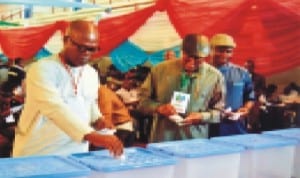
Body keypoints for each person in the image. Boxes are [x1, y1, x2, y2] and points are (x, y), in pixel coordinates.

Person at [12, 20, 123, 157]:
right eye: (81, 48)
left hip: (76, 151)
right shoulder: (42, 69)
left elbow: (89, 104)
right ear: (66, 40)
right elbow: (53, 108)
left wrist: (99, 120)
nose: (86, 53)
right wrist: (92, 135)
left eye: (92, 49)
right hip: (39, 151)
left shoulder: (91, 73)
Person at [138, 34, 225, 142]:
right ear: (182, 52)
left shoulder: (215, 77)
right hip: (163, 139)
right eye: (188, 57)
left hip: (194, 141)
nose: (191, 63)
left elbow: (220, 112)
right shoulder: (159, 71)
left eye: (198, 59)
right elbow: (142, 102)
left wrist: (203, 117)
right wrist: (159, 108)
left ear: (205, 57)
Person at [210, 33, 255, 136]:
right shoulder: (202, 72)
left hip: (235, 126)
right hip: (208, 126)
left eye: (228, 51)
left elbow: (250, 97)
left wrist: (246, 109)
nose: (224, 54)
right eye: (220, 50)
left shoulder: (242, 73)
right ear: (210, 50)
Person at [244, 58, 266, 132]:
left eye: (248, 67)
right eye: (245, 67)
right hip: (243, 99)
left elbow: (262, 89)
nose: (246, 69)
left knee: (255, 114)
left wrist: (260, 95)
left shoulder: (260, 77)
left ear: (252, 68)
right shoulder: (241, 77)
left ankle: (254, 129)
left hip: (255, 99)